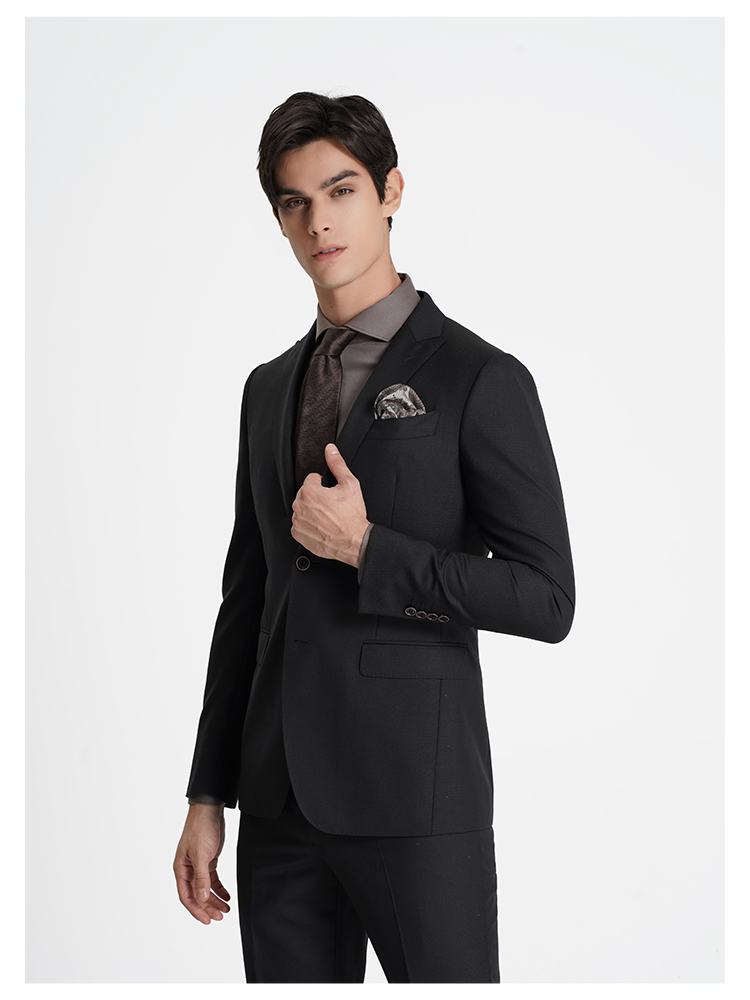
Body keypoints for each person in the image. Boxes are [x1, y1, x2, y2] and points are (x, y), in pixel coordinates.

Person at [173, 91, 575, 984]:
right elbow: (247, 600)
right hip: (277, 802)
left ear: (391, 191)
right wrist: (208, 792)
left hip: (415, 799)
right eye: (294, 202)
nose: (319, 221)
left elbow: (548, 598)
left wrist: (368, 551)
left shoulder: (480, 377)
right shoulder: (267, 388)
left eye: (341, 190)